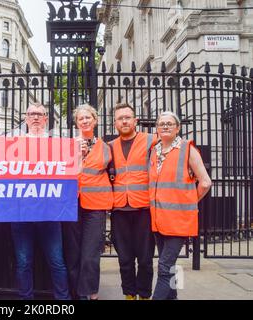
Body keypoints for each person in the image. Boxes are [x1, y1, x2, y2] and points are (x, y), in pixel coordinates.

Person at [11, 102, 70, 300]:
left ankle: (63, 301)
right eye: (31, 114)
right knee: (23, 262)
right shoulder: (13, 144)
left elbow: (69, 173)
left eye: (40, 114)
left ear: (46, 119)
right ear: (26, 119)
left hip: (50, 213)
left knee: (57, 262)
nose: (35, 117)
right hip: (21, 213)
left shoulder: (58, 143)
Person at [149, 111, 211, 300]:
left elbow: (205, 182)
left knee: (164, 267)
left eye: (169, 123)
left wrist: (189, 202)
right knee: (171, 266)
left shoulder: (187, 149)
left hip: (178, 221)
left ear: (178, 128)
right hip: (159, 220)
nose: (165, 126)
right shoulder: (154, 150)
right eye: (161, 124)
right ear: (157, 128)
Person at [62, 104, 113, 300]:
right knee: (73, 253)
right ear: (76, 123)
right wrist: (78, 155)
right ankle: (76, 294)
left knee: (90, 254)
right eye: (80, 118)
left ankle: (90, 293)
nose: (84, 121)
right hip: (71, 204)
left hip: (96, 205)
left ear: (95, 120)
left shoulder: (106, 148)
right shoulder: (68, 146)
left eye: (88, 117)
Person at [109, 103, 157, 300]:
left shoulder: (151, 140)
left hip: (144, 208)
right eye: (120, 118)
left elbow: (174, 146)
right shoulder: (109, 146)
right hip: (119, 209)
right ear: (115, 123)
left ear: (135, 120)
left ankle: (144, 295)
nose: (124, 121)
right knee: (125, 259)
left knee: (145, 259)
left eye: (128, 117)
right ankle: (129, 294)